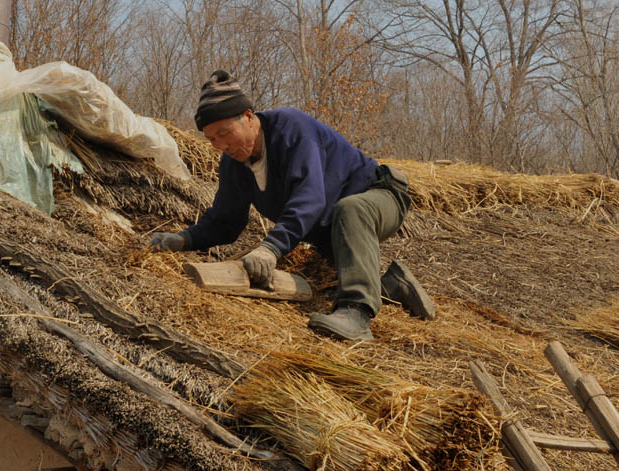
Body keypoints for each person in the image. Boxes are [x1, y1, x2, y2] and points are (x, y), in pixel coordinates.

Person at [151, 70, 435, 341]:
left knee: (351, 210)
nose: (219, 145)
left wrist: (270, 248)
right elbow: (225, 220)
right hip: (332, 228)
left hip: (379, 197)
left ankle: (356, 316)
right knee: (336, 283)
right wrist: (184, 239)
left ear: (248, 117)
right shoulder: (235, 163)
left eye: (224, 133)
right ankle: (394, 286)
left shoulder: (292, 129)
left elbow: (309, 198)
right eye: (212, 139)